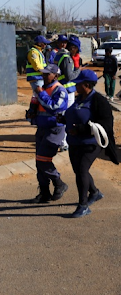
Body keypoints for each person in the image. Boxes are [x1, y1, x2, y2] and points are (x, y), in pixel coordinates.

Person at [64, 70, 119, 218]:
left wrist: (82, 129)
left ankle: (83, 206)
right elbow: (74, 114)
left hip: (92, 143)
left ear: (87, 85)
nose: (76, 85)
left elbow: (105, 124)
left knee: (82, 170)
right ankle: (94, 192)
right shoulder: (79, 98)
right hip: (74, 142)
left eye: (79, 83)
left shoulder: (99, 101)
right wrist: (63, 119)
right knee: (80, 171)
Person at [26, 64, 69, 203]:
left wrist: (41, 94)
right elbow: (36, 107)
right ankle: (44, 193)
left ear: (55, 76)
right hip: (42, 129)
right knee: (40, 163)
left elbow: (54, 108)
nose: (44, 76)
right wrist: (31, 114)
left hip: (55, 129)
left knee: (43, 160)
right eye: (43, 74)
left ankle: (59, 183)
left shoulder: (60, 90)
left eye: (47, 74)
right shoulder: (41, 90)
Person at [25, 35, 49, 120]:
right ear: (39, 43)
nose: (45, 45)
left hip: (39, 77)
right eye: (44, 43)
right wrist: (47, 72)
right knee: (39, 95)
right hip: (36, 78)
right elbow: (37, 67)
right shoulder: (33, 52)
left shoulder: (39, 52)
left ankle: (34, 114)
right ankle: (32, 115)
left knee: (37, 96)